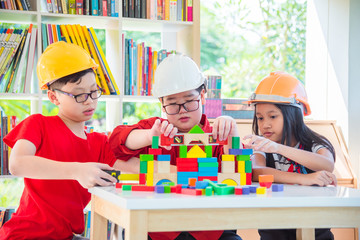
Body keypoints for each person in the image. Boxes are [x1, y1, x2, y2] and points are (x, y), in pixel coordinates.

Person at [109, 54, 242, 240]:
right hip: (159, 229)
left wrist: (232, 131)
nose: (182, 110)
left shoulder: (216, 135)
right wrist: (149, 136)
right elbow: (114, 143)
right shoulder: (154, 129)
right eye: (172, 104)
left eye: (189, 101)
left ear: (203, 96)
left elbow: (239, 173)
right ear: (161, 104)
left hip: (211, 228)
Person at [0, 41, 123, 240]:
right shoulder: (38, 124)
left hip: (66, 236)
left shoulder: (99, 142)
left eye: (93, 91)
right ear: (53, 97)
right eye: (79, 94)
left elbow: (132, 169)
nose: (90, 100)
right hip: (25, 235)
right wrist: (77, 170)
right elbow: (17, 164)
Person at [243, 71, 336, 240]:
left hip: (315, 227)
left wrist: (279, 148)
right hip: (275, 228)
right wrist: (304, 178)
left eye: (272, 116)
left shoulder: (314, 143)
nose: (265, 124)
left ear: (295, 115)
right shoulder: (263, 145)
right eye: (260, 118)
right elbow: (256, 170)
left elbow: (326, 164)